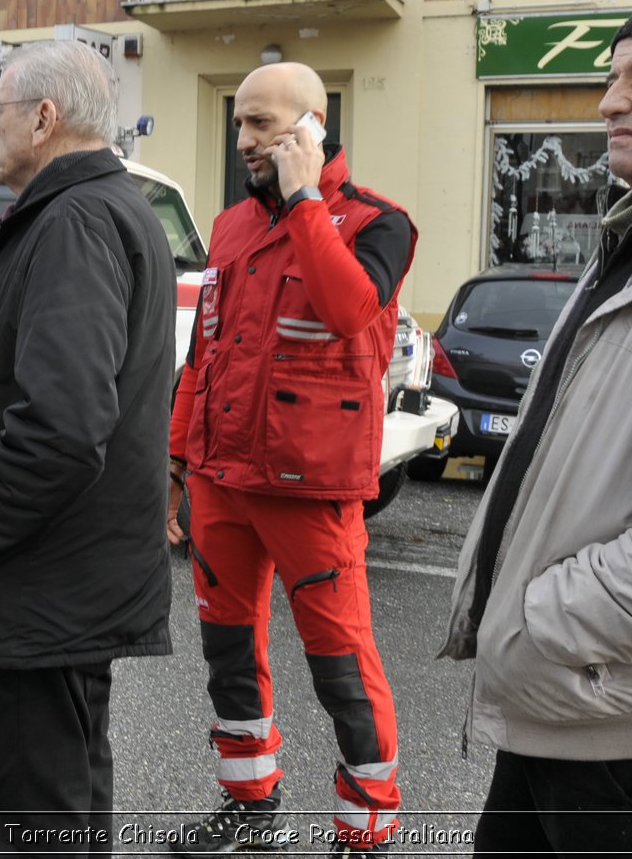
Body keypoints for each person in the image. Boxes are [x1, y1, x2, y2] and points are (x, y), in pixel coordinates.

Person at [442, 0, 632, 853]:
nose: (609, 101)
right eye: (612, 77)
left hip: (631, 732)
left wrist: (537, 624)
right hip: (584, 708)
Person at [0, 39, 175, 854]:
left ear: (44, 116)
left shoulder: (75, 219)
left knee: (22, 832)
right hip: (59, 594)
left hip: (39, 595)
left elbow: (61, 429)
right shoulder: (100, 209)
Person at [168, 62, 414, 855]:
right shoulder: (231, 224)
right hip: (221, 479)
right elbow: (203, 353)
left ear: (312, 126)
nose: (244, 140)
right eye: (239, 123)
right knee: (228, 652)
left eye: (262, 125)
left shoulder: (381, 222)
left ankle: (366, 834)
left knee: (341, 665)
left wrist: (307, 202)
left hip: (310, 490)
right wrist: (175, 462)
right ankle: (249, 806)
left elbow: (349, 309)